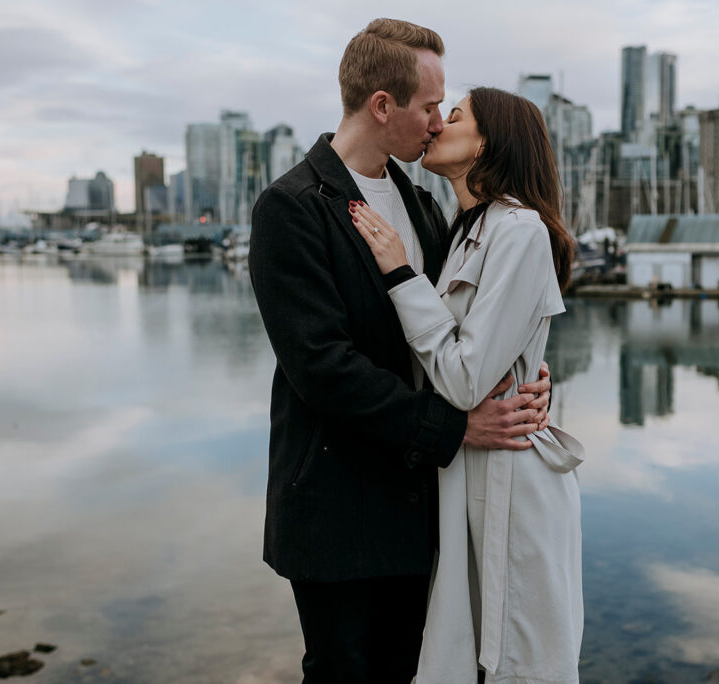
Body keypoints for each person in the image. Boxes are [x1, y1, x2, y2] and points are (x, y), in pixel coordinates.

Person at [247, 19, 553, 684]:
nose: (438, 122)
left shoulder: (424, 204)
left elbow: (456, 330)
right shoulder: (291, 207)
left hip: (424, 504)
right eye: (429, 106)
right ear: (383, 106)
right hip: (339, 509)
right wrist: (458, 428)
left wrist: (526, 376)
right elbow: (323, 369)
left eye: (446, 108)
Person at [350, 88, 584, 683]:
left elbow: (462, 378)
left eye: (453, 116)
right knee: (463, 655)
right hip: (464, 471)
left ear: (487, 143)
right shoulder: (461, 231)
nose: (435, 124)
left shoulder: (521, 231)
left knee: (520, 662)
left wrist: (402, 274)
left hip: (510, 479)